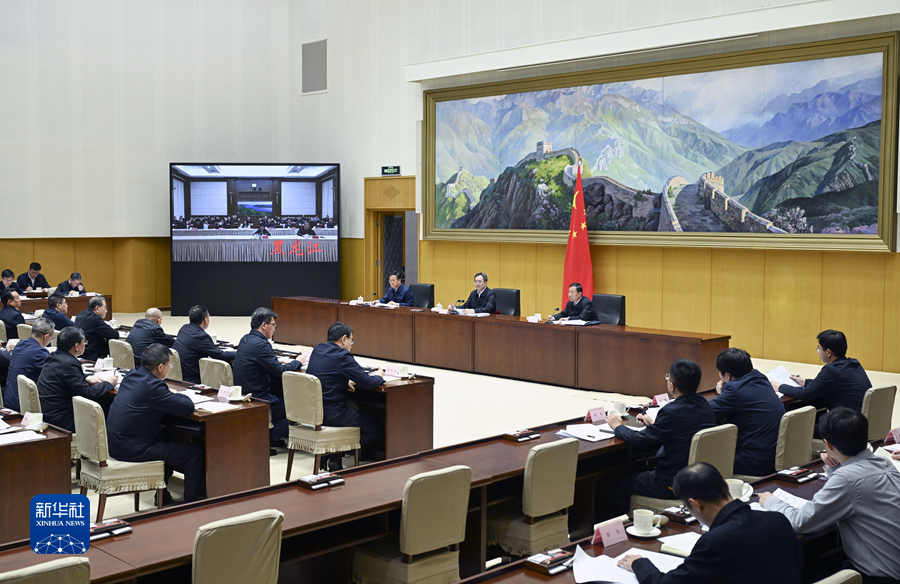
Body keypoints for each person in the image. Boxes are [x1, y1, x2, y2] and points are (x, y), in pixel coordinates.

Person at [761, 408, 900, 583]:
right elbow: (853, 489)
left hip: (879, 576)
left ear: (828, 444)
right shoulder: (884, 462)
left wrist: (771, 502)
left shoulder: (846, 479)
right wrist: (836, 466)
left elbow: (801, 522)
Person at [618, 462, 802, 584]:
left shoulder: (716, 541)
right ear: (726, 485)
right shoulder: (777, 519)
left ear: (695, 504)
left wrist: (639, 564)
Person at [607, 359, 717, 512]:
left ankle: (635, 521)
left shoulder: (671, 411)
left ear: (672, 385)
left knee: (614, 486)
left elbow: (639, 439)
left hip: (673, 483)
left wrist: (617, 426)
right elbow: (683, 428)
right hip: (700, 477)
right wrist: (655, 425)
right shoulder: (705, 405)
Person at [107, 343, 205, 503]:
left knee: (167, 438)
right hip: (133, 449)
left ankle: (162, 497)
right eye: (170, 365)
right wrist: (174, 394)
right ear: (160, 367)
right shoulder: (153, 386)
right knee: (196, 452)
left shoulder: (132, 376)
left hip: (116, 444)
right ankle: (191, 503)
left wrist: (166, 393)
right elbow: (187, 406)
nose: (170, 368)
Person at [306, 322, 385, 471]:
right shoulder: (343, 356)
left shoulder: (318, 349)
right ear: (344, 339)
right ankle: (336, 450)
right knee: (379, 429)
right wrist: (379, 376)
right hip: (333, 414)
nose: (351, 345)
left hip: (314, 412)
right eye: (351, 340)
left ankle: (334, 457)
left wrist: (342, 381)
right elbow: (368, 382)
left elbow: (323, 375)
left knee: (354, 407)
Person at [771, 330, 871, 436]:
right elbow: (830, 384)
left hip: (846, 428)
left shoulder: (831, 371)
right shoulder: (854, 364)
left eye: (819, 348)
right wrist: (806, 382)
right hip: (860, 423)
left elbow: (805, 394)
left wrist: (780, 387)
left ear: (828, 352)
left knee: (792, 427)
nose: (818, 351)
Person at [232, 308, 305, 447]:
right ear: (264, 325)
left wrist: (276, 361)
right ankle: (269, 438)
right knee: (299, 410)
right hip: (259, 396)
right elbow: (280, 372)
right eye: (273, 324)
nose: (275, 329)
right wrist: (298, 362)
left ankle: (272, 434)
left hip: (244, 392)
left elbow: (261, 361)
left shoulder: (245, 339)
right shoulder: (262, 344)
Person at [709, 348, 784, 476]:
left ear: (727, 376)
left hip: (755, 461)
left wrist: (725, 391)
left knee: (701, 458)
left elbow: (706, 411)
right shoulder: (761, 378)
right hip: (777, 454)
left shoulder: (733, 390)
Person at [37, 326, 117, 432]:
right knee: (108, 407)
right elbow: (89, 393)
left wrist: (87, 377)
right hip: (61, 419)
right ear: (76, 346)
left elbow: (65, 376)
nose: (85, 344)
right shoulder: (70, 363)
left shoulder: (53, 357)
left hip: (48, 412)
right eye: (84, 342)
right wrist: (108, 383)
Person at [172, 305, 237, 384]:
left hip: (179, 374)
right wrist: (241, 352)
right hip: (193, 379)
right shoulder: (201, 336)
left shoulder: (184, 329)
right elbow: (221, 355)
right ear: (205, 320)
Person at [3, 318, 53, 411]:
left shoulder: (20, 345)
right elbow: (53, 374)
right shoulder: (40, 353)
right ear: (46, 337)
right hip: (22, 405)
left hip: (8, 399)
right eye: (52, 337)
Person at [75, 296, 117, 362]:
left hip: (79, 352)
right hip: (91, 355)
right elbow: (115, 334)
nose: (106, 311)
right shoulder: (95, 319)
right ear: (97, 308)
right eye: (105, 307)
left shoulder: (81, 314)